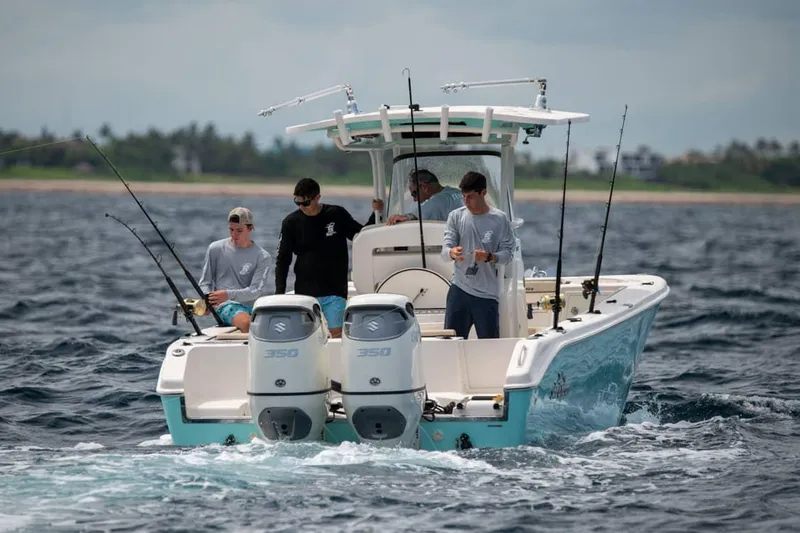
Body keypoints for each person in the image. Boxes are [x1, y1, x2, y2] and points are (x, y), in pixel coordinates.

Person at [275, 178, 364, 338]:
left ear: (317, 197)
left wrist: (375, 214)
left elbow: (361, 236)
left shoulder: (336, 214)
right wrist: (279, 294)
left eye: (306, 203)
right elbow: (283, 260)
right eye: (297, 202)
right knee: (307, 336)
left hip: (334, 290)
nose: (301, 207)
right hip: (305, 291)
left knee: (335, 334)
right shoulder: (291, 222)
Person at [441, 171, 515, 339]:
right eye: (463, 197)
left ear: (483, 193)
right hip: (459, 290)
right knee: (451, 342)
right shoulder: (455, 216)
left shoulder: (499, 219)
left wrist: (490, 257)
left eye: (471, 197)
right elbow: (444, 252)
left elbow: (508, 254)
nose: (466, 202)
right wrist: (452, 253)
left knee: (489, 344)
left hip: (487, 295)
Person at [198, 207, 272, 333]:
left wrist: (228, 294)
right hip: (225, 306)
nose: (234, 234)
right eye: (231, 230)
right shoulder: (215, 248)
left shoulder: (263, 256)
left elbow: (255, 290)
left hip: (253, 308)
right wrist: (208, 301)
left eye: (239, 230)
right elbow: (205, 282)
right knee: (248, 324)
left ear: (250, 228)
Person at [370, 169, 464, 226]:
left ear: (425, 187)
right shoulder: (457, 192)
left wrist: (403, 217)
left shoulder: (435, 202)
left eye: (414, 193)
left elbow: (413, 217)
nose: (415, 200)